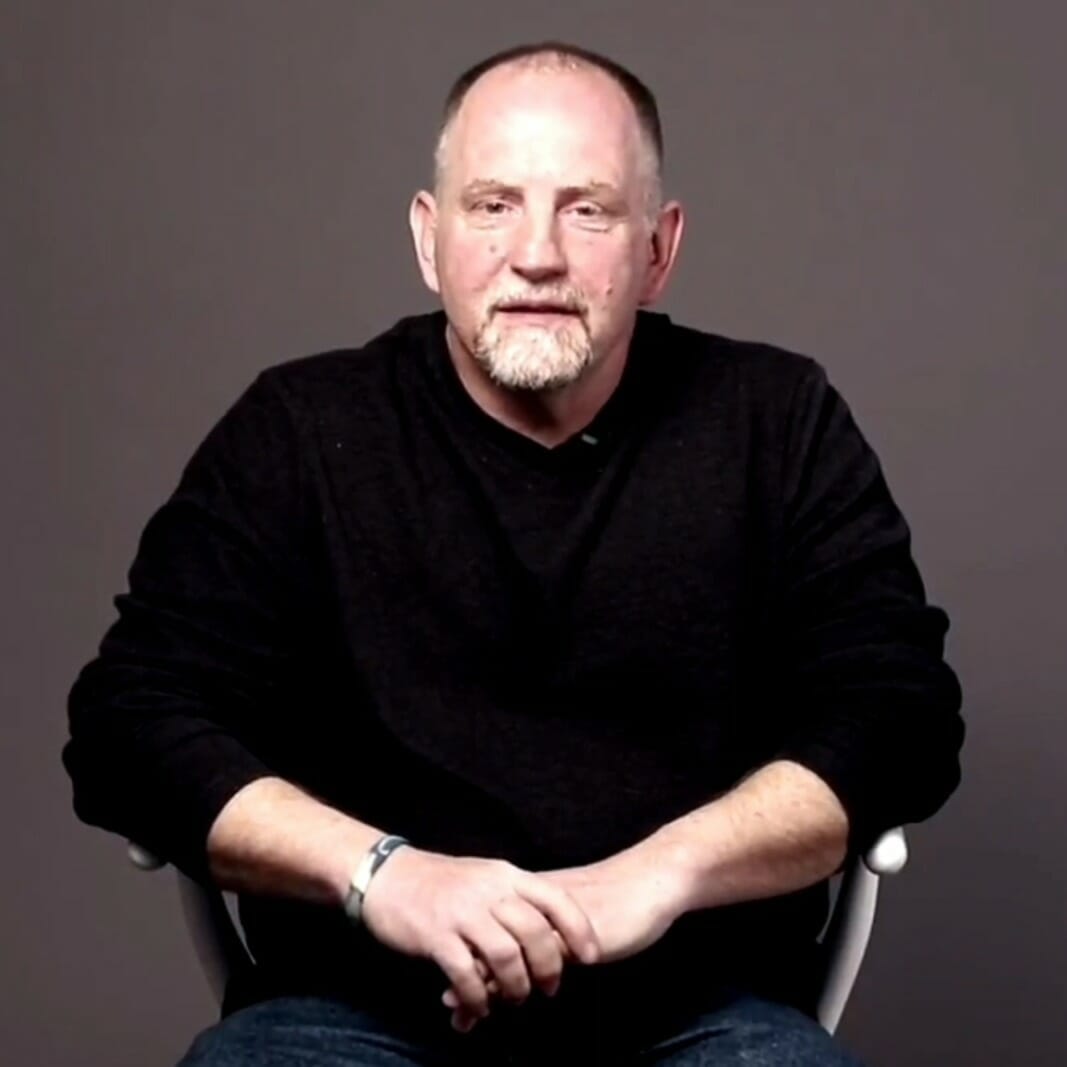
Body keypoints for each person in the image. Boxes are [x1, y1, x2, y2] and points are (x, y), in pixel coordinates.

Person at [62, 40, 964, 1066]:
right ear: (427, 237)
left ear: (658, 248)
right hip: (347, 1013)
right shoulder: (299, 430)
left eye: (587, 210)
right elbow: (131, 722)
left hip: (701, 1015)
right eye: (493, 204)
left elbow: (896, 715)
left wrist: (656, 875)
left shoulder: (775, 419)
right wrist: (384, 875)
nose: (536, 254)